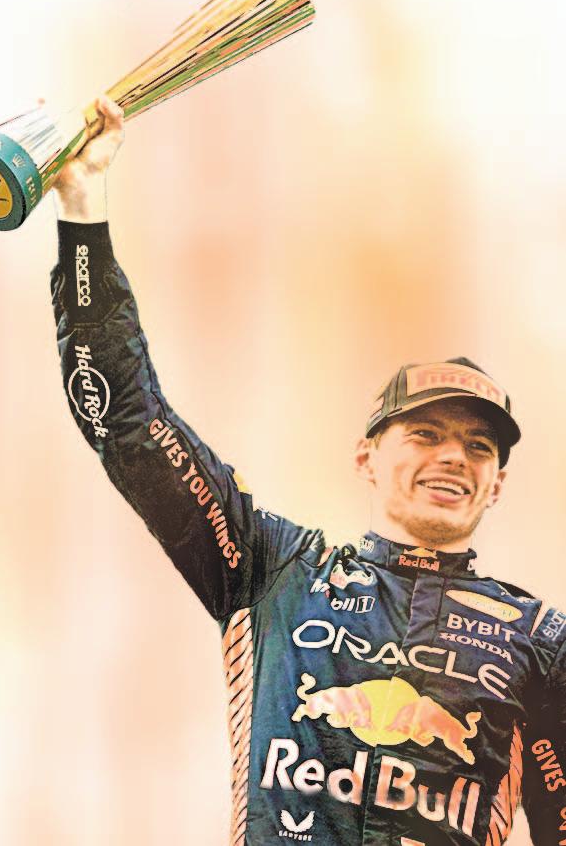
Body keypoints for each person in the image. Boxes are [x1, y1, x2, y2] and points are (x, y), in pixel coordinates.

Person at [50, 96, 566, 846]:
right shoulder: (273, 569)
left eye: (479, 447)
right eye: (425, 434)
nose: (453, 455)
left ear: (497, 484)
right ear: (366, 457)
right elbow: (129, 426)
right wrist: (81, 211)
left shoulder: (541, 639)